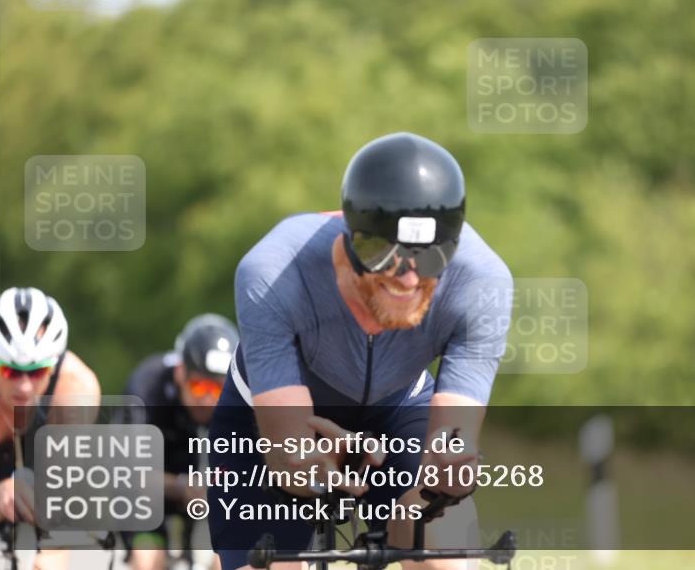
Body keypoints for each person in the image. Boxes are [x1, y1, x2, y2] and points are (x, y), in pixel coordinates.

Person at [207, 132, 513, 570]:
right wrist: (309, 461)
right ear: (350, 238)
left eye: (431, 258)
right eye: (383, 254)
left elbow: (451, 444)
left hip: (397, 402)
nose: (407, 277)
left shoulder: (481, 283)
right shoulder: (274, 270)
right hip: (275, 410)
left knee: (446, 553)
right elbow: (286, 453)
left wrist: (445, 477)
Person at [0, 287, 101, 570]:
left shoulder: (77, 387)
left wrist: (57, 551)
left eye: (37, 371)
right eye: (10, 371)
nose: (24, 386)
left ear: (53, 366)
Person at [121, 314, 239, 570]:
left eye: (217, 389)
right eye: (198, 386)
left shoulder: (242, 401)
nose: (207, 399)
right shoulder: (148, 387)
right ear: (180, 372)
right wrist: (179, 486)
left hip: (215, 499)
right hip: (148, 498)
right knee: (148, 561)